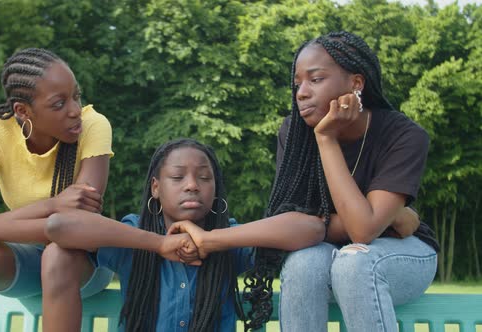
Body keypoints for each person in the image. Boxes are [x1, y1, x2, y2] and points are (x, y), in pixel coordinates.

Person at [169, 31, 439, 332]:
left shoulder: (403, 135)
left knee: (354, 263)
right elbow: (298, 221)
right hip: (326, 254)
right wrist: (389, 217)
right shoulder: (294, 134)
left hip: (398, 255)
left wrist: (326, 138)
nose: (302, 92)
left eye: (316, 79)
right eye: (297, 84)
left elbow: (360, 231)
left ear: (356, 83)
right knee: (301, 262)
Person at [0, 48, 114, 332]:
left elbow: (80, 228)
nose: (75, 110)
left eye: (76, 96)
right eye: (59, 104)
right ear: (23, 110)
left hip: (86, 261)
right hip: (28, 260)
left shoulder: (93, 125)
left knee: (58, 256)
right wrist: (53, 206)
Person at [45, 138, 253, 332]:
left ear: (216, 189)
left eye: (204, 177)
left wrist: (211, 241)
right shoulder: (134, 235)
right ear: (156, 187)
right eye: (178, 177)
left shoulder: (229, 239)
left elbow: (285, 238)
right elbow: (58, 225)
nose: (192, 185)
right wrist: (159, 243)